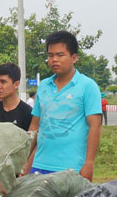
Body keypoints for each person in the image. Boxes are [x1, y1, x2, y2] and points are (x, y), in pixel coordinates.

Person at [20, 31, 103, 180]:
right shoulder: (44, 86)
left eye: (60, 55)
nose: (54, 60)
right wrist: (25, 160)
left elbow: (95, 127)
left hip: (72, 168)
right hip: (39, 166)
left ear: (74, 58)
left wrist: (89, 163)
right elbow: (34, 126)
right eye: (50, 55)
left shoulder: (87, 86)